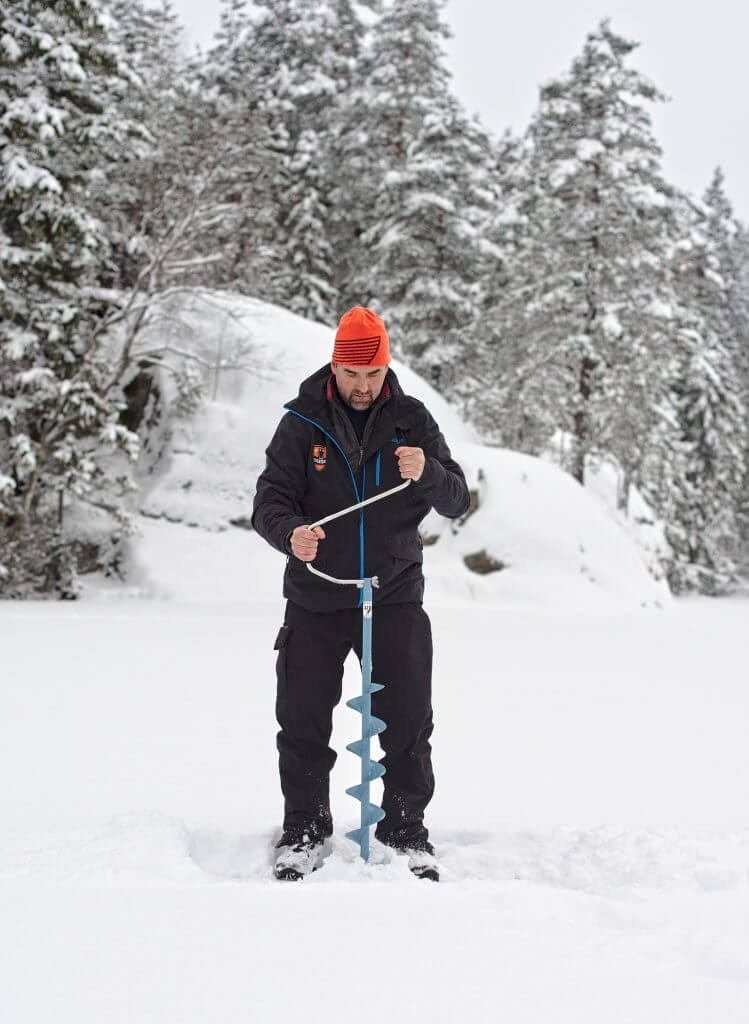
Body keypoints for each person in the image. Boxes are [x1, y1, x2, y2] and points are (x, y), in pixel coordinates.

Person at [251, 306, 469, 881]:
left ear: (386, 366)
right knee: (301, 722)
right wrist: (289, 534)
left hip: (393, 593)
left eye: (372, 374)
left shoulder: (413, 420)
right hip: (316, 596)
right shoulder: (302, 421)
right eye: (352, 373)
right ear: (335, 363)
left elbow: (456, 499)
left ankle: (404, 832)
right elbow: (269, 500)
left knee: (408, 720)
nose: (362, 386)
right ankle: (304, 832)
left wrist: (427, 472)